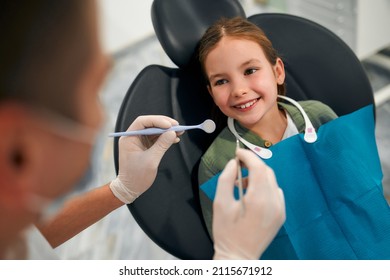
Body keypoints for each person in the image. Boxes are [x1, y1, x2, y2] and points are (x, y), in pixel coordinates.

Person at [0, 1, 285, 260]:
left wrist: (121, 190)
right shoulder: (217, 165)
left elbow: (33, 239)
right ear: (21, 151)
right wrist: (233, 259)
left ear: (278, 71)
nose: (102, 119)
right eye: (94, 90)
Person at [197, 17, 337, 240]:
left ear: (277, 71)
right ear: (211, 93)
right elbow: (229, 247)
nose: (239, 90)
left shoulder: (318, 116)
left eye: (250, 70)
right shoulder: (217, 166)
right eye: (221, 81)